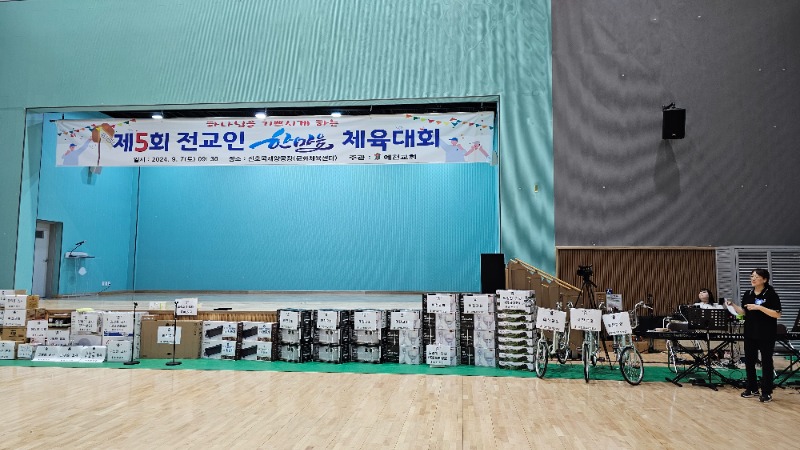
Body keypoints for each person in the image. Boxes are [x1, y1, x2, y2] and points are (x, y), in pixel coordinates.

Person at [726, 268, 782, 403]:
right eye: (752, 276)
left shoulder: (771, 294)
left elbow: (777, 314)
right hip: (750, 332)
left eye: (756, 277)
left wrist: (759, 307)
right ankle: (752, 388)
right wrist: (733, 305)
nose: (753, 279)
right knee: (749, 361)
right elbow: (744, 312)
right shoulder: (748, 293)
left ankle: (767, 391)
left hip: (766, 333)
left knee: (766, 362)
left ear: (764, 279)